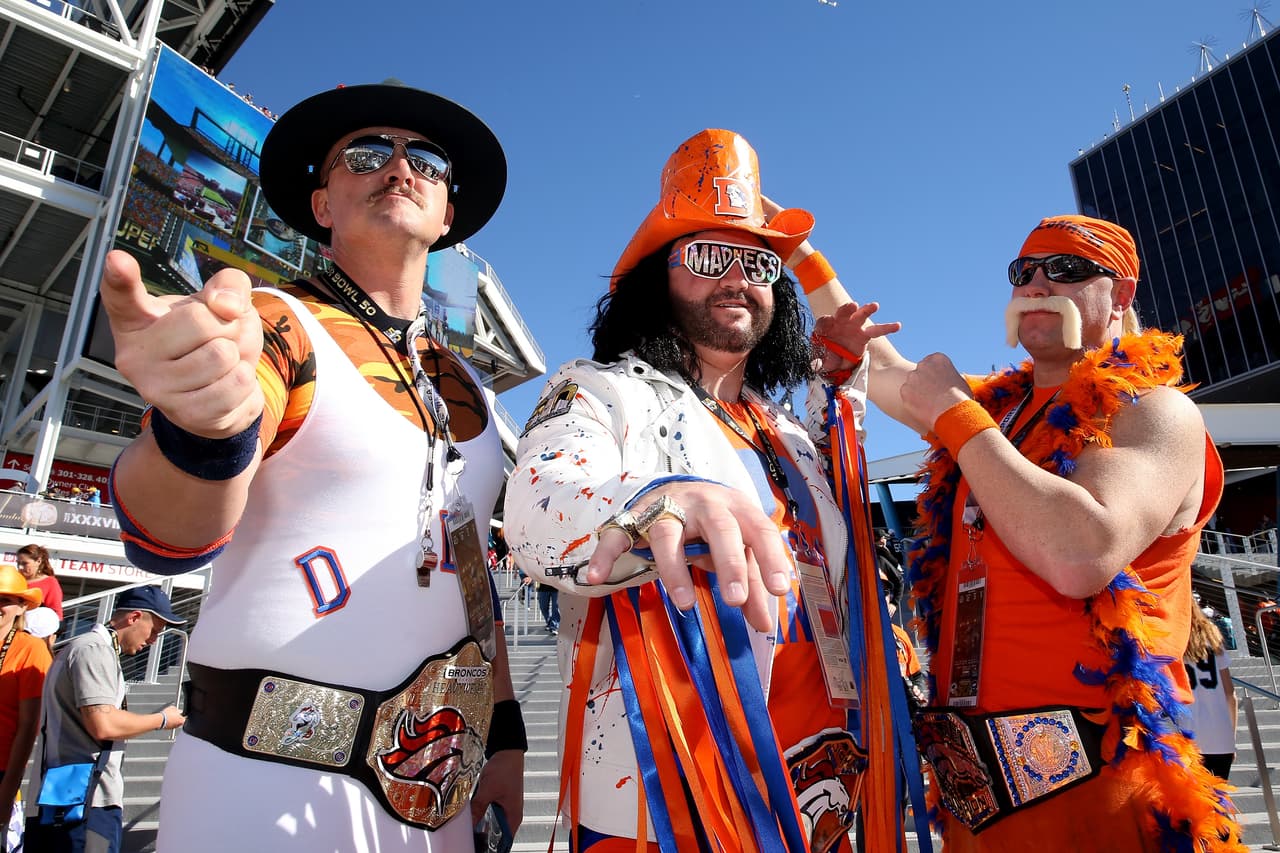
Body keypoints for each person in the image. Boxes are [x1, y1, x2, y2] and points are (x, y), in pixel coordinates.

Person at [101, 81, 525, 851]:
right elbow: (167, 532)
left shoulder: (471, 391)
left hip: (436, 797)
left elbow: (475, 586)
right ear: (323, 202)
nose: (400, 168)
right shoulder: (271, 322)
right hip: (262, 782)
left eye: (425, 159)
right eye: (366, 154)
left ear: (448, 214)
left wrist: (505, 734)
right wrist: (204, 433)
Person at [505, 129, 903, 852]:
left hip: (822, 784)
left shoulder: (782, 430)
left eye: (756, 262)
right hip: (670, 798)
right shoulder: (600, 391)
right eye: (707, 255)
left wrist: (837, 388)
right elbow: (537, 507)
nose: (736, 277)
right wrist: (660, 497)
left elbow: (829, 538)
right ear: (660, 277)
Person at [811, 214, 1242, 849]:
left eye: (1066, 270)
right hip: (972, 787)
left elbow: (1079, 552)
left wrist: (956, 415)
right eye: (1023, 273)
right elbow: (880, 360)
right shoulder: (998, 413)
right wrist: (801, 255)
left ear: (1121, 295)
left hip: (1098, 781)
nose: (1036, 285)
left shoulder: (1155, 411)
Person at [37, 586, 185, 853]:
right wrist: (163, 719)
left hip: (72, 794)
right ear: (134, 617)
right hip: (84, 799)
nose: (154, 640)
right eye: (154, 629)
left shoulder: (88, 648)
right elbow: (104, 724)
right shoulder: (94, 650)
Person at [0, 566, 51, 845]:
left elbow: (28, 726)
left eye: (5, 600)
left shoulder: (30, 649)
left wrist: (7, 790)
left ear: (21, 607)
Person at [1185, 606, 1237, 783]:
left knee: (1192, 806)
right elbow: (1230, 693)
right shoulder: (1212, 637)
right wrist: (1232, 737)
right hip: (1220, 735)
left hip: (1187, 735)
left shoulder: (1172, 641)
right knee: (1217, 804)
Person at [16, 543, 63, 618]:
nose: (20, 567)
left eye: (25, 563)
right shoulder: (14, 578)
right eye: (18, 563)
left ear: (38, 561)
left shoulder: (50, 582)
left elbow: (56, 614)